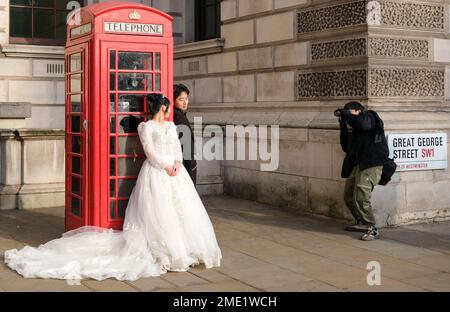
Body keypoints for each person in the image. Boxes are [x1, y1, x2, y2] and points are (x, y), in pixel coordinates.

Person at [4, 94, 222, 281]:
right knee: (160, 214)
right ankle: (167, 251)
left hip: (175, 173)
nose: (168, 111)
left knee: (181, 212)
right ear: (163, 107)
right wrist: (166, 166)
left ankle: (186, 249)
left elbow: (177, 147)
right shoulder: (145, 126)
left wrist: (176, 163)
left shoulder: (172, 126)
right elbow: (150, 151)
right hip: (157, 172)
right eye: (167, 107)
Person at [336, 101, 389, 241]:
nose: (347, 115)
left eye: (349, 112)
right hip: (360, 164)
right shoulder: (355, 128)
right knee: (348, 195)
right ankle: (361, 222)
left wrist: (347, 116)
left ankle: (371, 227)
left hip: (372, 163)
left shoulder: (370, 117)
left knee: (361, 195)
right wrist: (343, 124)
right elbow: (345, 146)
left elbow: (362, 124)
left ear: (358, 111)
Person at [173, 84, 197, 184]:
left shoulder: (177, 114)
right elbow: (185, 143)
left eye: (186, 98)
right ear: (173, 100)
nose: (185, 102)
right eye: (181, 99)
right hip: (185, 164)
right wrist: (192, 165)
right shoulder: (179, 117)